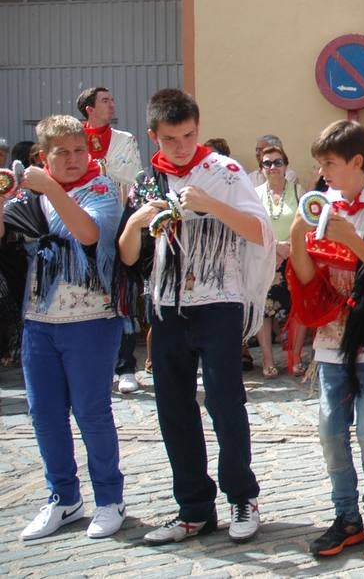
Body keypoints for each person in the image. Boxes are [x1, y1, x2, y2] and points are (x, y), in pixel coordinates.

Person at [117, 88, 275, 545]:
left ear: (198, 129)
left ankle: (243, 497)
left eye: (189, 135)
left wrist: (212, 206)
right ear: (154, 137)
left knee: (226, 404)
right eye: (171, 138)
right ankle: (193, 508)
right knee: (173, 409)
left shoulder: (222, 172)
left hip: (220, 303)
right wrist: (134, 222)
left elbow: (260, 231)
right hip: (167, 308)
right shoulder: (148, 181)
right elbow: (128, 257)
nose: (182, 146)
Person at [287, 121, 364, 562]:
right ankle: (346, 517)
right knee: (330, 432)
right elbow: (305, 277)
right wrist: (299, 238)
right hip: (330, 339)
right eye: (320, 164)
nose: (322, 174)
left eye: (329, 164)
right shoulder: (322, 205)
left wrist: (351, 239)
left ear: (357, 163)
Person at [8, 115, 126, 541]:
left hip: (92, 319)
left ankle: (110, 499)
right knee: (44, 414)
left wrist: (51, 188)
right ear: (44, 157)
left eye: (81, 150)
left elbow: (89, 233)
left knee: (92, 412)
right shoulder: (27, 195)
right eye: (63, 153)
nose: (75, 159)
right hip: (39, 320)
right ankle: (64, 498)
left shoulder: (102, 189)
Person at [77, 86, 144, 396]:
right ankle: (92, 366)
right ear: (89, 108)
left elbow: (134, 177)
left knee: (123, 294)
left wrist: (104, 172)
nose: (112, 104)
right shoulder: (73, 139)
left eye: (112, 99)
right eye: (105, 100)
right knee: (86, 295)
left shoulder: (125, 140)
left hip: (117, 223)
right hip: (81, 224)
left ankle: (126, 365)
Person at [255, 144, 300, 379]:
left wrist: (288, 248)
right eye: (267, 163)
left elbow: (306, 222)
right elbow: (251, 227)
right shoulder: (255, 195)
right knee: (264, 310)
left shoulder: (298, 191)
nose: (273, 167)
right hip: (266, 259)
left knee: (298, 308)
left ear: (286, 166)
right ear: (261, 168)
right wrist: (275, 248)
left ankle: (296, 358)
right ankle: (268, 360)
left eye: (277, 162)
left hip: (294, 257)